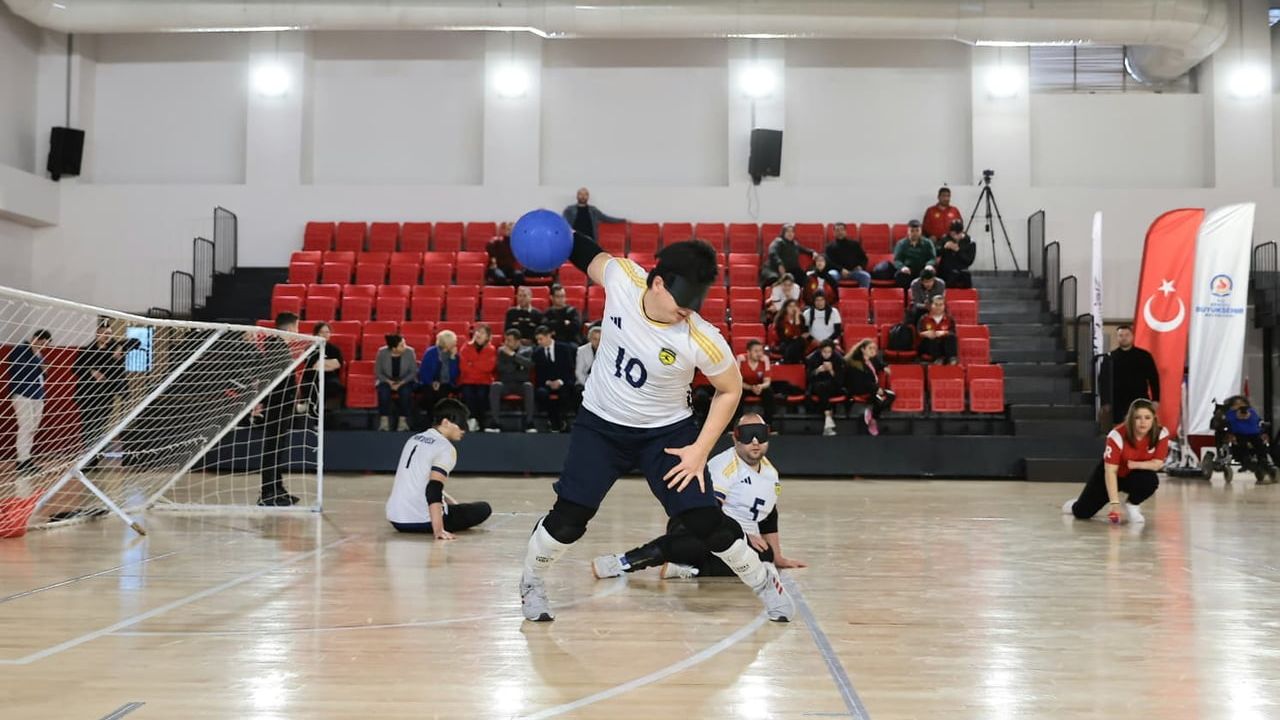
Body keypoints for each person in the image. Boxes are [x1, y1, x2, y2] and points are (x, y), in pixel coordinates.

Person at [517, 237, 792, 623]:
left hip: (666, 434)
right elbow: (583, 251)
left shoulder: (701, 338)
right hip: (600, 426)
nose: (686, 315)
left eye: (691, 309)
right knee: (569, 519)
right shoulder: (624, 279)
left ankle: (765, 583)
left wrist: (699, 450)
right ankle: (532, 581)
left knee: (705, 523)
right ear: (658, 283)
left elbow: (730, 390)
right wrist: (557, 232)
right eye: (681, 308)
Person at [591, 414, 806, 580]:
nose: (755, 441)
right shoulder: (725, 467)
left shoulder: (770, 473)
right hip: (694, 523)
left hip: (733, 536)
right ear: (736, 438)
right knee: (708, 540)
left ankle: (690, 570)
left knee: (763, 557)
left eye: (761, 434)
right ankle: (623, 561)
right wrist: (745, 536)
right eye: (748, 435)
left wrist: (777, 556)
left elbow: (769, 515)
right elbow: (711, 511)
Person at [385, 398, 492, 539]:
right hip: (422, 520)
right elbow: (433, 488)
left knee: (457, 508)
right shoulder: (445, 448)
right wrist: (439, 530)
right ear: (446, 422)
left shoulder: (414, 439)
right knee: (484, 508)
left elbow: (422, 480)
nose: (464, 429)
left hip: (396, 518)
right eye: (461, 424)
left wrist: (451, 502)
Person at [1064, 398, 1167, 524]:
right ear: (1131, 419)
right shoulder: (1117, 435)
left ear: (1154, 419)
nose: (1143, 422)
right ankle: (1077, 504)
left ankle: (1132, 505)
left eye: (1147, 417)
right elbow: (1110, 471)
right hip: (1112, 473)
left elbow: (1157, 464)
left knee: (1150, 481)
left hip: (1133, 473)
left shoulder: (1161, 434)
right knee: (1082, 513)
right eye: (1138, 417)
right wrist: (1114, 503)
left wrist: (1135, 464)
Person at [259, 314, 301, 506]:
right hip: (277, 405)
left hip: (282, 405)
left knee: (277, 449)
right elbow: (273, 380)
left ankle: (277, 488)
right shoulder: (276, 345)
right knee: (272, 449)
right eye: (297, 327)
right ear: (292, 328)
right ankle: (269, 492)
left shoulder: (278, 345)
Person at [72, 323, 127, 469]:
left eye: (109, 333)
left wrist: (120, 347)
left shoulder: (115, 350)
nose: (106, 336)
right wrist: (91, 371)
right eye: (104, 333)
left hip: (105, 395)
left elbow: (136, 342)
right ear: (98, 334)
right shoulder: (87, 350)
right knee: (88, 426)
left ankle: (95, 455)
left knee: (100, 426)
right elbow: (75, 368)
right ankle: (90, 458)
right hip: (87, 394)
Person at [8, 329, 51, 476]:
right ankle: (22, 460)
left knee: (33, 427)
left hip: (37, 395)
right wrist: (40, 366)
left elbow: (42, 375)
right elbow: (20, 370)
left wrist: (44, 370)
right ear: (34, 339)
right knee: (25, 426)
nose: (42, 346)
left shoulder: (39, 355)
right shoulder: (20, 350)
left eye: (45, 344)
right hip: (22, 393)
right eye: (41, 342)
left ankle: (26, 458)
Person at [1098, 325, 1160, 425]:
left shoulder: (1144, 356)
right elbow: (1103, 381)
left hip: (1139, 399)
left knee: (1140, 427)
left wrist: (1156, 399)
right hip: (1118, 401)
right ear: (1117, 337)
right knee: (1120, 430)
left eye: (1127, 335)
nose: (1124, 338)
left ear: (1132, 336)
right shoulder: (1110, 357)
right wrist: (1105, 402)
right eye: (1120, 335)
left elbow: (1154, 378)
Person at [488, 329, 536, 433]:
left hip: (521, 384)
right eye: (505, 340)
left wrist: (512, 356)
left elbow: (529, 365)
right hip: (506, 384)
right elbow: (501, 368)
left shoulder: (528, 350)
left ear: (517, 341)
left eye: (509, 340)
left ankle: (529, 423)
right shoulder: (501, 351)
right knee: (495, 386)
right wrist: (518, 365)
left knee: (528, 386)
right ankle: (495, 422)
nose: (506, 343)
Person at [844, 338, 895, 436]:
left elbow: (879, 364)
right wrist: (876, 389)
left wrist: (884, 367)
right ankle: (872, 418)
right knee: (880, 399)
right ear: (863, 350)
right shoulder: (855, 363)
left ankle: (872, 418)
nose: (873, 351)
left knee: (891, 396)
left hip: (871, 388)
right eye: (870, 348)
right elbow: (861, 382)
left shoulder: (872, 359)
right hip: (859, 389)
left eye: (874, 349)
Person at [532, 325, 578, 432]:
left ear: (548, 336)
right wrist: (548, 382)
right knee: (542, 393)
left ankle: (559, 421)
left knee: (565, 393)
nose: (539, 342)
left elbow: (569, 369)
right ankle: (555, 422)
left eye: (541, 339)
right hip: (546, 384)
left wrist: (560, 381)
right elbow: (539, 374)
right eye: (537, 339)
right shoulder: (537, 352)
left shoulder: (563, 348)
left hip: (563, 381)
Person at [1220, 396, 1275, 482]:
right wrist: (1236, 416)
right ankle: (1245, 460)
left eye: (1242, 403)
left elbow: (1256, 420)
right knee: (1241, 443)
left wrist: (1248, 417)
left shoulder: (1251, 411)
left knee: (1260, 444)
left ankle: (1263, 461)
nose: (1239, 405)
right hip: (1239, 433)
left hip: (1254, 433)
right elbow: (1228, 421)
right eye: (1236, 404)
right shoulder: (1230, 413)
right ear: (1232, 406)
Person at [458, 324, 496, 432]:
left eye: (482, 332)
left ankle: (480, 421)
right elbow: (463, 366)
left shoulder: (491, 349)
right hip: (467, 380)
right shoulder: (466, 347)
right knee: (468, 394)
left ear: (487, 337)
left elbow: (489, 367)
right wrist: (477, 365)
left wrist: (472, 363)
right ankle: (472, 420)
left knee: (481, 394)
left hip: (484, 381)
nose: (478, 334)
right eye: (477, 332)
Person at [376, 333, 418, 432]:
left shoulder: (410, 352)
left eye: (404, 343)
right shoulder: (382, 353)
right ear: (393, 348)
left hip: (405, 380)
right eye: (402, 345)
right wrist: (389, 382)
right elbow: (378, 372)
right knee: (383, 392)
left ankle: (403, 421)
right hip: (386, 379)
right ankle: (384, 422)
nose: (405, 346)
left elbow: (413, 372)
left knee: (405, 392)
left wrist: (401, 383)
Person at [301, 322, 344, 416]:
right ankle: (314, 414)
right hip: (312, 377)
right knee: (315, 386)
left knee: (332, 386)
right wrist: (329, 364)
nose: (325, 334)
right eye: (322, 332)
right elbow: (314, 366)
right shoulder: (310, 348)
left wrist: (321, 363)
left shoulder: (334, 349)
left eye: (327, 332)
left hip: (330, 378)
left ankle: (323, 414)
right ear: (316, 334)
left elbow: (337, 364)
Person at [417, 329, 460, 422]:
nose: (455, 344)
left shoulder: (455, 355)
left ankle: (440, 420)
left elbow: (453, 375)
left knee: (442, 393)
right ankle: (430, 420)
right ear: (446, 343)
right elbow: (424, 371)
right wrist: (431, 383)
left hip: (446, 383)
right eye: (453, 342)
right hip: (429, 382)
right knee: (429, 394)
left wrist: (452, 358)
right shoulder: (431, 352)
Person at [806, 341, 845, 436]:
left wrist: (831, 371)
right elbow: (808, 378)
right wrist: (817, 371)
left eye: (829, 352)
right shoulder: (813, 358)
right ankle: (828, 416)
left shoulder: (838, 359)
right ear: (820, 351)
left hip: (834, 386)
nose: (826, 354)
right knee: (821, 387)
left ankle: (828, 417)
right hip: (817, 385)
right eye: (824, 352)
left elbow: (841, 381)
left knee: (824, 387)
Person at [738, 340, 775, 426]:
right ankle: (735, 425)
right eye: (756, 351)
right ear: (748, 352)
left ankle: (768, 425)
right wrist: (750, 387)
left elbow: (767, 382)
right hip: (745, 387)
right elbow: (737, 382)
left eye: (761, 351)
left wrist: (760, 386)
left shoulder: (764, 360)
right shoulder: (741, 359)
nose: (759, 353)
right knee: (736, 394)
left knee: (769, 393)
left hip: (759, 387)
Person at [891, 220, 938, 289]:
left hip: (923, 269)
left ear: (921, 231)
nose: (915, 233)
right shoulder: (901, 244)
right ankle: (905, 297)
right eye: (912, 231)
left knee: (929, 274)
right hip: (908, 270)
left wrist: (929, 264)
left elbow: (933, 258)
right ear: (908, 231)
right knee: (900, 275)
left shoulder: (928, 243)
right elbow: (897, 260)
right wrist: (902, 267)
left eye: (917, 230)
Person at [825, 223, 871, 288]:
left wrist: (861, 266)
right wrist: (841, 270)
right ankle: (834, 297)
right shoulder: (829, 247)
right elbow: (828, 263)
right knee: (831, 275)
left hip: (853, 271)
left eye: (842, 230)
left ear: (845, 231)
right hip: (837, 271)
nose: (840, 232)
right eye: (837, 230)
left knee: (866, 276)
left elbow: (864, 258)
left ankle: (862, 296)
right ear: (834, 233)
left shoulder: (855, 244)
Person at [917, 295, 958, 365]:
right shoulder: (923, 318)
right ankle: (937, 359)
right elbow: (919, 333)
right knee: (932, 337)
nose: (938, 307)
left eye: (941, 305)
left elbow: (953, 333)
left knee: (951, 337)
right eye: (936, 304)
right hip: (928, 345)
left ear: (944, 306)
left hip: (944, 344)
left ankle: (952, 359)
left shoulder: (950, 319)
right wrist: (926, 333)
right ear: (931, 305)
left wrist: (944, 332)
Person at [935, 219, 976, 289]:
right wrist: (944, 248)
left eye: (957, 234)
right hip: (946, 270)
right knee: (948, 275)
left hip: (961, 270)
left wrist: (958, 250)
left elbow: (969, 261)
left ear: (962, 232)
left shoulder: (970, 242)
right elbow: (936, 252)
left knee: (965, 275)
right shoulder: (945, 238)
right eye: (952, 234)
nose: (954, 237)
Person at [486, 222, 525, 286]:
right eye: (508, 229)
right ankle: (506, 291)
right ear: (505, 230)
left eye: (512, 230)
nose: (509, 231)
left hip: (510, 269)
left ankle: (512, 291)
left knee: (519, 275)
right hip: (497, 268)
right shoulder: (497, 241)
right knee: (500, 277)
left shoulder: (516, 244)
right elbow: (489, 245)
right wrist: (493, 259)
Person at [774, 299, 809, 364]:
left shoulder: (801, 318)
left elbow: (802, 333)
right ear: (785, 308)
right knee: (797, 345)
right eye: (790, 306)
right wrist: (794, 337)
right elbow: (782, 337)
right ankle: (800, 362)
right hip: (785, 343)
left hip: (799, 342)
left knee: (800, 341)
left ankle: (786, 360)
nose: (792, 308)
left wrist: (796, 318)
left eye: (794, 306)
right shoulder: (780, 320)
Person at [575, 324, 602, 394]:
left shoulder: (608, 351)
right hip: (585, 380)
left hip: (602, 383)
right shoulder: (581, 350)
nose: (598, 342)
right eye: (595, 339)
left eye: (600, 339)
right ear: (589, 339)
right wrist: (589, 385)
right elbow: (579, 372)